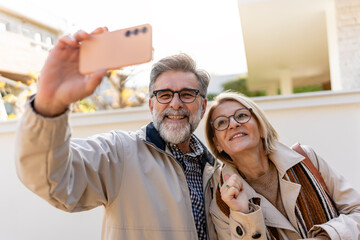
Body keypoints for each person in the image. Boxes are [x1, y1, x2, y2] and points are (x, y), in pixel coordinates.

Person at [15, 27, 220, 240]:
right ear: (151, 105)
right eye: (164, 95)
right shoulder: (119, 153)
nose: (175, 104)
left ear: (203, 106)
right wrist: (49, 103)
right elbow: (52, 178)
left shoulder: (214, 169)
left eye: (187, 94)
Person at [204, 91, 360, 239]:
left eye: (242, 115)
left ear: (261, 128)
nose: (233, 124)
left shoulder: (306, 159)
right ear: (217, 144)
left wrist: (325, 237)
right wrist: (242, 213)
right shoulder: (221, 206)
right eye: (222, 122)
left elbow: (357, 212)